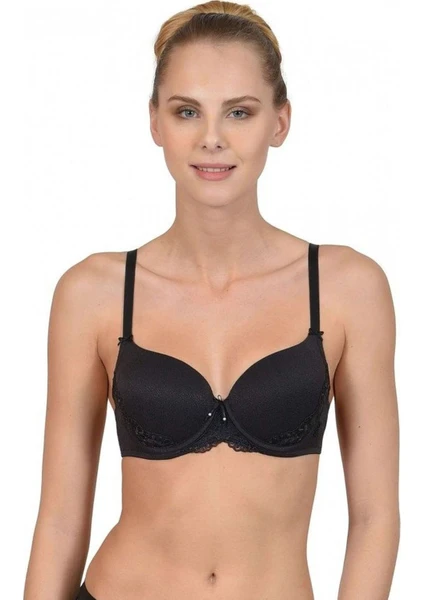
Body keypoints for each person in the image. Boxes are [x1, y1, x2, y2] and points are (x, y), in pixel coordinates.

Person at [24, 2, 400, 599]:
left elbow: (375, 518)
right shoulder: (92, 293)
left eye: (239, 112)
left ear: (280, 122)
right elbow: (60, 521)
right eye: (187, 111)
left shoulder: (347, 288)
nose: (212, 138)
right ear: (155, 122)